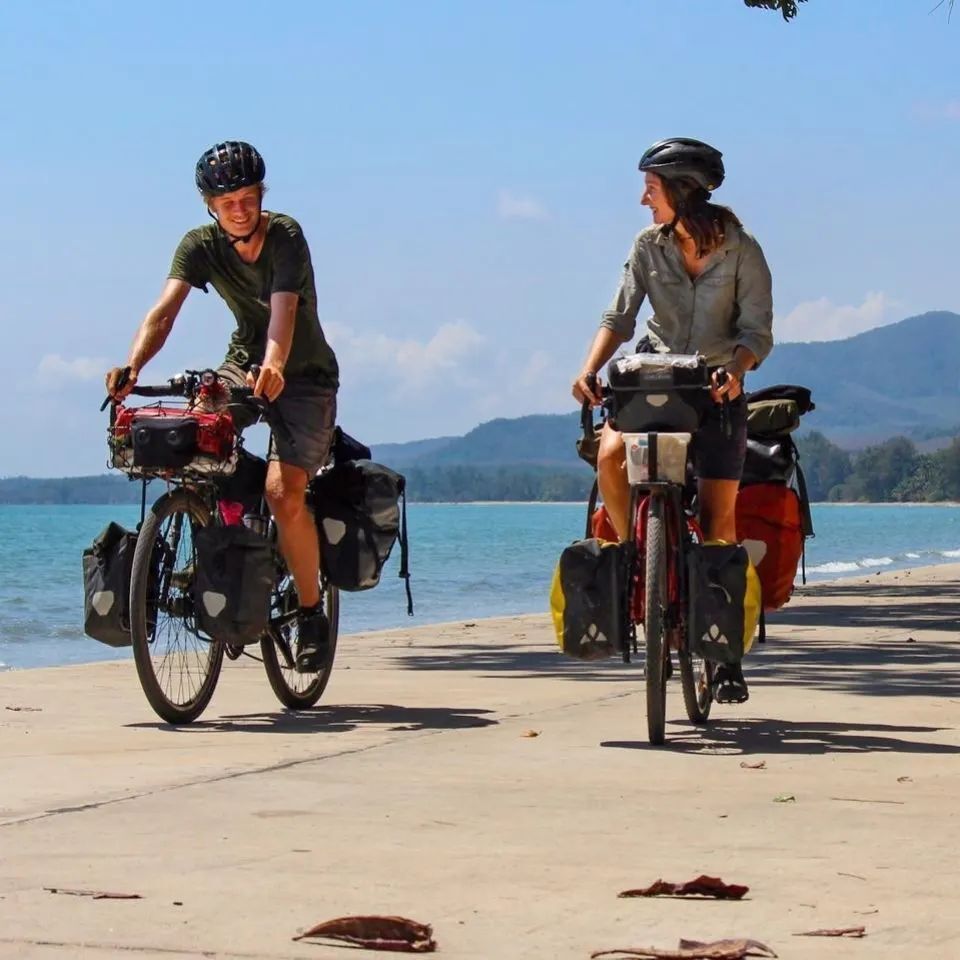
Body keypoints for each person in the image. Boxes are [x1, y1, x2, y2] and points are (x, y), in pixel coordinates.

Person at [105, 140, 339, 672]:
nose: (239, 208)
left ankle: (308, 613)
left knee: (285, 495)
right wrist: (132, 367)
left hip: (304, 377)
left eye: (248, 196)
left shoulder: (285, 236)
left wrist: (275, 366)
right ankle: (225, 544)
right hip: (243, 362)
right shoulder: (199, 245)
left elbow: (284, 314)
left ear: (261, 195)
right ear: (209, 204)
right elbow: (164, 312)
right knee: (197, 433)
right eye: (227, 199)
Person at [571, 137, 773, 703]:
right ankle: (636, 555)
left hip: (714, 390)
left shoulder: (742, 251)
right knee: (609, 457)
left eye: (651, 189)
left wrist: (737, 368)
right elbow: (620, 314)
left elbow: (757, 331)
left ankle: (726, 655)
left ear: (682, 192)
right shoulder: (646, 247)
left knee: (718, 525)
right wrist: (589, 368)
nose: (643, 201)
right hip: (653, 382)